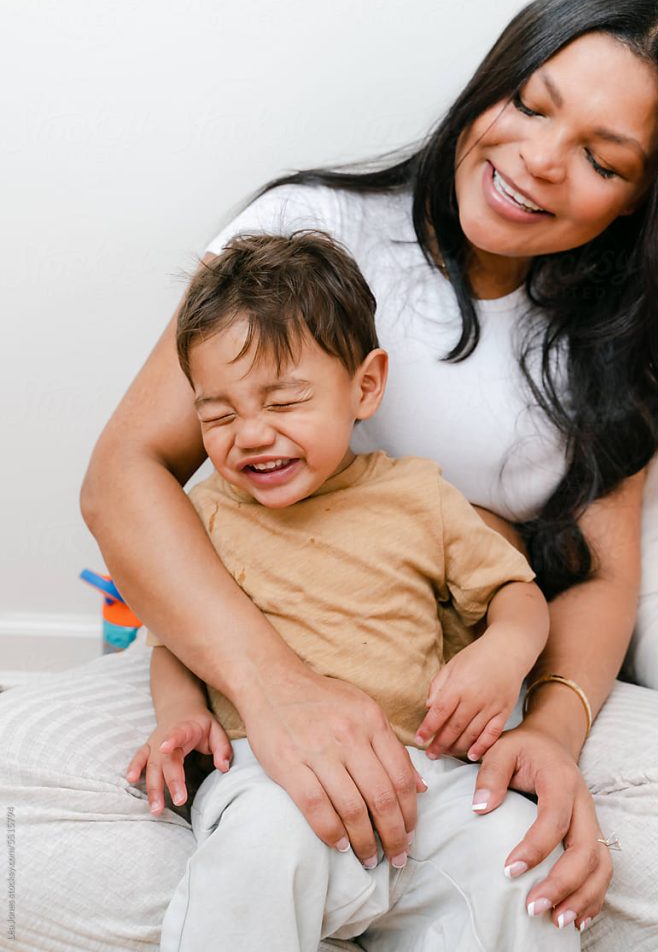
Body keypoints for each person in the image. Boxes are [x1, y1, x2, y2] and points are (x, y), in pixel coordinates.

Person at [80, 0, 658, 944]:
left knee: (515, 881)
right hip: (256, 646)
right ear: (492, 82)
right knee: (262, 851)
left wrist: (549, 728)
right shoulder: (307, 235)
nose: (533, 160)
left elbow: (597, 572)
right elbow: (121, 476)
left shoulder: (614, 342)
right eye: (528, 104)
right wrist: (275, 689)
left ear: (640, 202)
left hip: (446, 701)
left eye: (601, 160)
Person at [126, 229, 559, 949]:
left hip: (425, 776)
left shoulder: (416, 495)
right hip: (275, 775)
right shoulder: (204, 515)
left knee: (511, 847)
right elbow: (175, 639)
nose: (251, 435)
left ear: (364, 386)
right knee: (261, 843)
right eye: (218, 414)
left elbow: (515, 593)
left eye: (283, 401)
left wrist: (502, 655)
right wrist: (179, 714)